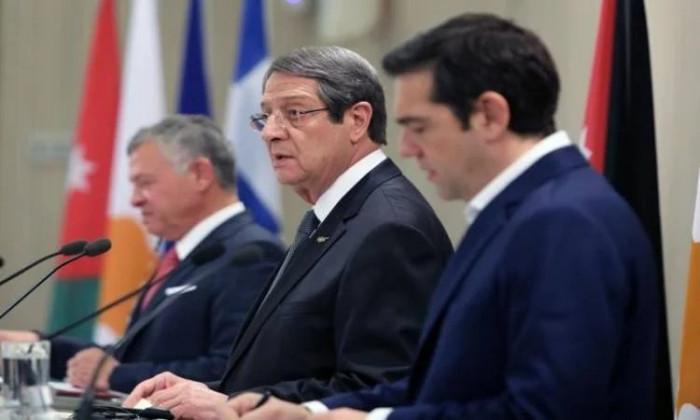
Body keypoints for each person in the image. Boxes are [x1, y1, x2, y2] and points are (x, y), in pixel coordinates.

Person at [210, 13, 660, 420]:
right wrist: (310, 413)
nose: (406, 148)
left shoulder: (564, 221)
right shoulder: (523, 211)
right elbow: (444, 383)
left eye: (420, 127)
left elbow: (545, 410)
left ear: (489, 115)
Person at [122, 46, 453, 416]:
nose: (271, 133)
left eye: (295, 113)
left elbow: (382, 389)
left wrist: (233, 406)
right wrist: (202, 394)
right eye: (265, 116)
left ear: (357, 120)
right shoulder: (330, 217)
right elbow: (290, 368)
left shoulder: (389, 228)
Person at [0, 115, 284, 393]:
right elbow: (136, 355)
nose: (134, 199)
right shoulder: (190, 253)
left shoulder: (251, 254)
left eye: (145, 183)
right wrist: (36, 346)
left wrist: (116, 376)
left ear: (200, 174)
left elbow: (233, 370)